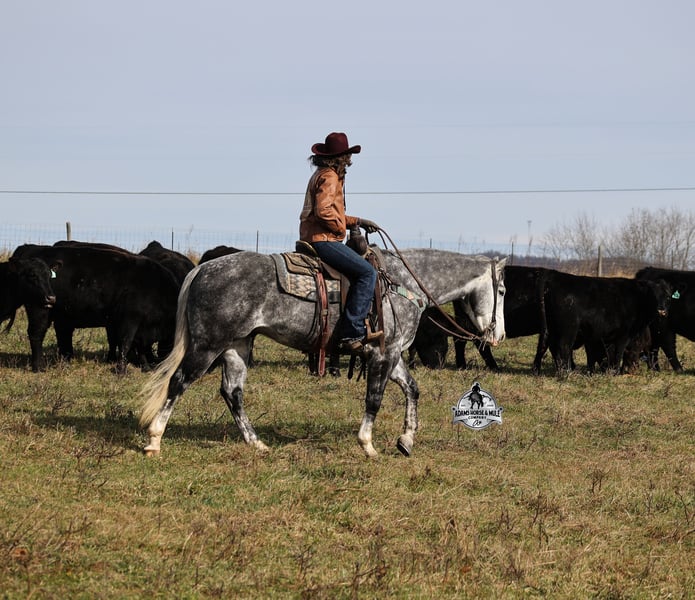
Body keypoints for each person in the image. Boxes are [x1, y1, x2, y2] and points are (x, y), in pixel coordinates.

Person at [299, 132, 382, 353]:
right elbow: (324, 212)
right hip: (323, 240)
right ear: (340, 158)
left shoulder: (321, 174)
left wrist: (358, 221)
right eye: (347, 156)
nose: (349, 161)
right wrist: (340, 229)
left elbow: (332, 212)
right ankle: (352, 332)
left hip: (314, 237)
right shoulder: (330, 177)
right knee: (367, 273)